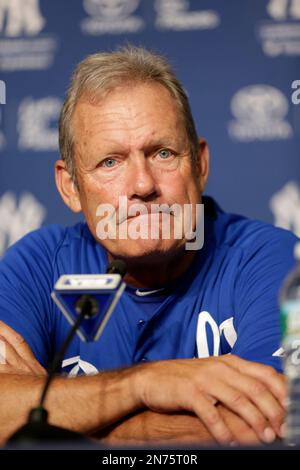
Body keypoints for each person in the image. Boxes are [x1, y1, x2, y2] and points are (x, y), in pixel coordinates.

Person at [0, 46, 298, 446]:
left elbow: (275, 424)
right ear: (70, 187)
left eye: (162, 153)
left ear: (200, 164)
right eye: (111, 162)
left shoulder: (274, 261)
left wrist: (54, 417)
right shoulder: (37, 266)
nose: (142, 186)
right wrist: (141, 384)